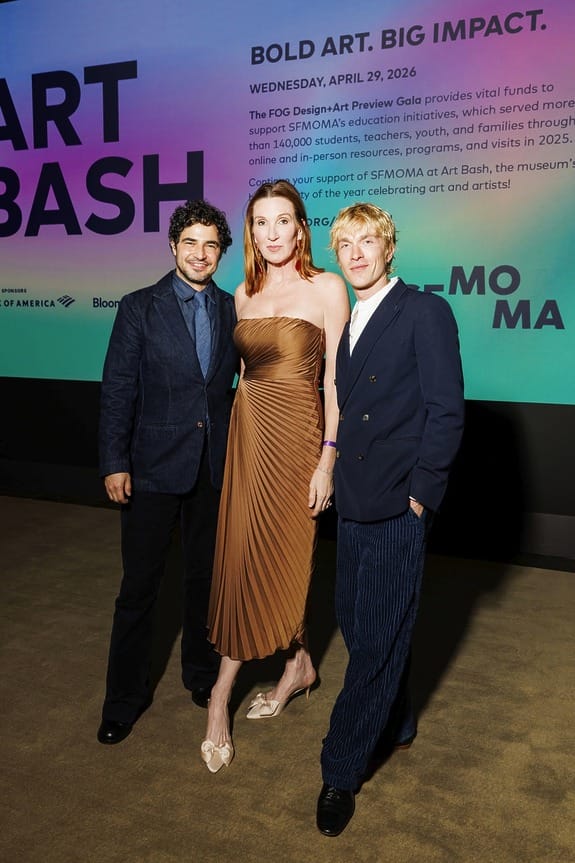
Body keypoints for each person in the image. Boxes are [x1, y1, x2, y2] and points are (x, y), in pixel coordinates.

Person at [316, 203, 465, 835]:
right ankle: (397, 720)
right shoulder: (350, 320)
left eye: (366, 241)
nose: (354, 253)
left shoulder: (424, 310)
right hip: (355, 500)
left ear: (389, 247)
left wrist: (422, 495)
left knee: (375, 638)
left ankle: (339, 770)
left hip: (396, 505)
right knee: (358, 619)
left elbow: (446, 409)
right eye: (344, 243)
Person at [199, 180, 350, 773]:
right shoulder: (242, 293)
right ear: (252, 233)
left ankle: (226, 693)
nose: (271, 233)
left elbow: (335, 379)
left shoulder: (327, 288)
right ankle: (291, 667)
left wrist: (328, 458)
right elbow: (242, 377)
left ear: (300, 228)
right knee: (241, 555)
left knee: (283, 557)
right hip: (249, 437)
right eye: (260, 223)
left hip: (298, 442)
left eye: (281, 221)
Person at [97, 200, 239, 745]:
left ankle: (202, 676)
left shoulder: (232, 308)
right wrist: (115, 462)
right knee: (139, 588)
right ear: (172, 247)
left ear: (220, 252)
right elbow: (117, 390)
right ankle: (123, 700)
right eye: (190, 243)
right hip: (151, 468)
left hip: (212, 468)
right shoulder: (139, 307)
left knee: (205, 581)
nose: (200, 254)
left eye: (210, 245)